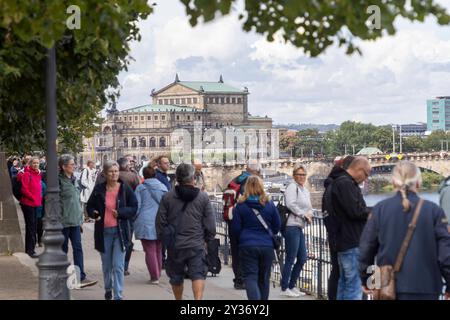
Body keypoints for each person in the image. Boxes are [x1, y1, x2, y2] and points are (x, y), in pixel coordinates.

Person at [359, 161, 450, 300]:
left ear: (394, 183)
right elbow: (445, 255)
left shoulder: (380, 209)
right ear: (418, 183)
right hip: (426, 286)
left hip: (388, 287)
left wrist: (366, 279)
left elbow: (366, 249)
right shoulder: (434, 211)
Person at [156, 163, 216, 300]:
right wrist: (207, 239)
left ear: (177, 178)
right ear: (193, 178)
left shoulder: (168, 197)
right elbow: (210, 224)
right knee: (198, 274)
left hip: (175, 244)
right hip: (196, 243)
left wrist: (164, 240)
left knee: (176, 277)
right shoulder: (203, 197)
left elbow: (160, 222)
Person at [87, 160, 138, 300]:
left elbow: (134, 207)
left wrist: (121, 212)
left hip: (120, 233)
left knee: (118, 266)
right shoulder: (98, 189)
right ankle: (108, 288)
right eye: (111, 171)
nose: (114, 173)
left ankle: (118, 295)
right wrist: (94, 213)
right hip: (104, 233)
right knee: (107, 265)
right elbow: (89, 207)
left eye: (116, 171)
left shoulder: (124, 188)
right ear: (105, 173)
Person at [231, 176, 281, 300]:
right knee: (264, 279)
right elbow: (277, 225)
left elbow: (235, 229)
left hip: (247, 245)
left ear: (246, 187)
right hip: (266, 245)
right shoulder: (269, 205)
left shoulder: (241, 206)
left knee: (250, 277)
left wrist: (241, 239)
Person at [330, 156, 370, 300]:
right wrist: (372, 212)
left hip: (344, 242)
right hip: (351, 242)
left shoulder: (341, 182)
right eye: (366, 174)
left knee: (344, 285)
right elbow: (355, 211)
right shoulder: (346, 184)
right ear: (359, 169)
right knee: (354, 287)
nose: (366, 179)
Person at [59, 154, 97, 288]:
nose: (74, 166)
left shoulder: (75, 179)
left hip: (75, 221)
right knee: (63, 250)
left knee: (78, 248)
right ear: (64, 167)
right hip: (63, 222)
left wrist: (81, 220)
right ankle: (62, 276)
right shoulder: (58, 181)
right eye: (71, 164)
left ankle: (81, 276)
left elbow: (76, 202)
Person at [322, 155, 355, 300]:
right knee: (345, 275)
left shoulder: (331, 185)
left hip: (335, 235)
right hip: (343, 237)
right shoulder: (342, 185)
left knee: (337, 272)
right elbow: (353, 211)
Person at [226, 162, 261, 290]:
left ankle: (238, 279)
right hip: (244, 221)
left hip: (232, 219)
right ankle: (244, 279)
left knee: (235, 251)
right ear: (255, 172)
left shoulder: (236, 179)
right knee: (245, 251)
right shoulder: (250, 181)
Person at [280, 164, 313, 297]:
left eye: (304, 175)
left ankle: (292, 285)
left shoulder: (304, 190)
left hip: (300, 226)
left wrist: (309, 213)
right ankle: (285, 286)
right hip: (292, 225)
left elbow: (310, 207)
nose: (302, 177)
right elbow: (290, 204)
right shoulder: (292, 187)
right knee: (291, 257)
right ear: (294, 176)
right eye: (299, 175)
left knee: (302, 258)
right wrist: (303, 214)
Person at [134, 166, 168, 284]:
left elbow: (137, 207)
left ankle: (154, 276)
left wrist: (134, 219)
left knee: (150, 250)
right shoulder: (163, 187)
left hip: (145, 221)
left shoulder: (140, 188)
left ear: (144, 175)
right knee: (158, 248)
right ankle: (157, 272)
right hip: (160, 221)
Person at [117, 157, 141, 276]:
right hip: (128, 211)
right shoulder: (132, 176)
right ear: (126, 166)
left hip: (112, 211)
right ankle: (124, 266)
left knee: (114, 239)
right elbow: (138, 189)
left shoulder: (105, 175)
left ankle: (116, 264)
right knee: (128, 239)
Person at [17, 157, 42, 258]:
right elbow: (24, 189)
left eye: (37, 163)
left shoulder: (38, 174)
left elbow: (38, 189)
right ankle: (30, 250)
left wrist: (38, 199)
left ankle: (31, 249)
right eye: (34, 163)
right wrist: (33, 198)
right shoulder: (27, 174)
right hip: (28, 204)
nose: (36, 165)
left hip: (35, 204)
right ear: (30, 164)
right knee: (31, 227)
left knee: (34, 226)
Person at [155, 155, 172, 269]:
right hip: (162, 209)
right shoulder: (159, 176)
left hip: (166, 209)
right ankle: (161, 259)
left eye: (168, 163)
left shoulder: (164, 176)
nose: (168, 165)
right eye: (165, 163)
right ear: (159, 165)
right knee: (163, 237)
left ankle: (162, 258)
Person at [35, 180, 46, 247]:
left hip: (40, 208)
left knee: (40, 226)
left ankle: (39, 240)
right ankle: (36, 241)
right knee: (34, 226)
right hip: (33, 207)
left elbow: (44, 192)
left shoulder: (42, 183)